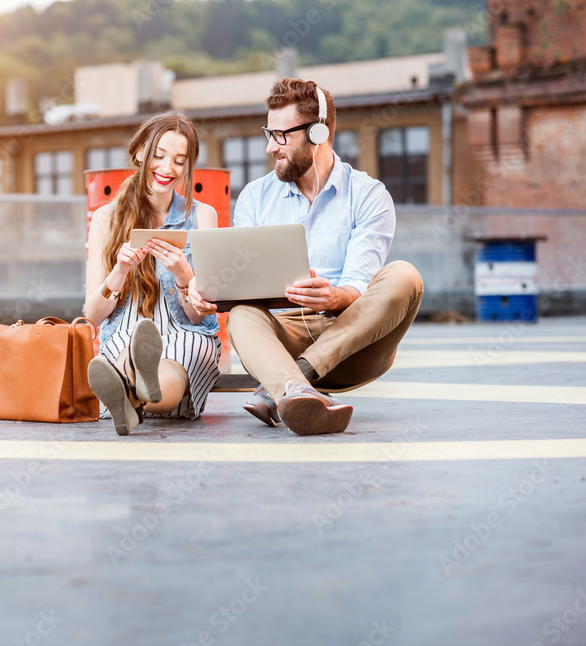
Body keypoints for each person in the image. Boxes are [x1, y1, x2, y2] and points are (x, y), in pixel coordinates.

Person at [186, 78, 424, 436]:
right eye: (269, 133)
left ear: (318, 133)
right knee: (242, 314)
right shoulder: (255, 197)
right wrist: (207, 292)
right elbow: (243, 286)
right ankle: (296, 390)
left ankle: (287, 383)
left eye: (280, 136)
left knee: (405, 275)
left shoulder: (369, 195)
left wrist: (334, 297)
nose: (270, 147)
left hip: (354, 345)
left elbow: (359, 287)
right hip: (281, 338)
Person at [84, 111, 222, 436]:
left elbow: (198, 315)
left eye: (179, 160)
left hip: (186, 330)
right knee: (124, 353)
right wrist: (119, 271)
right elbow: (93, 314)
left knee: (178, 360)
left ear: (188, 166)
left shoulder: (203, 215)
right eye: (158, 156)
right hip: (127, 330)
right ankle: (132, 384)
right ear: (139, 153)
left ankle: (129, 394)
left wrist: (185, 275)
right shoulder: (107, 219)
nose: (167, 169)